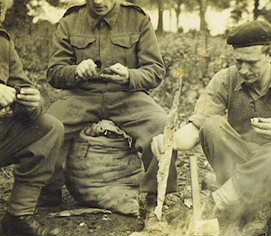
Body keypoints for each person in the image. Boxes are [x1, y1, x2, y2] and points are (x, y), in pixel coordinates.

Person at [171, 20, 271, 236]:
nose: (243, 70)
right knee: (212, 125)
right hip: (237, 166)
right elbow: (197, 125)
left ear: (270, 54)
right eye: (238, 62)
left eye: (251, 63)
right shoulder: (226, 79)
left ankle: (221, 201)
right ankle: (254, 210)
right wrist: (169, 141)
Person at [41, 0, 176, 205]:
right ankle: (46, 193)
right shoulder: (70, 21)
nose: (98, 1)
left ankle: (158, 196)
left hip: (127, 96)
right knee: (47, 125)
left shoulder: (137, 19)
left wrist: (130, 76)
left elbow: (156, 70)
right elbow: (54, 72)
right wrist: (75, 72)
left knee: (161, 126)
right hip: (81, 96)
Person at [0, 0, 64, 236]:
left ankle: (18, 215)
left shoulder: (3, 44)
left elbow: (22, 85)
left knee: (48, 127)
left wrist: (32, 102)